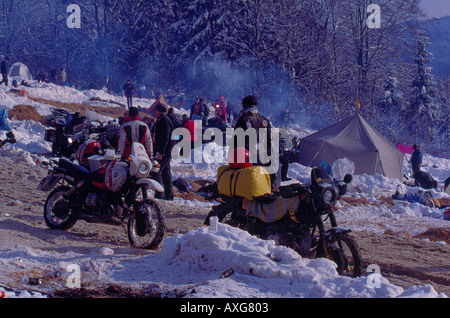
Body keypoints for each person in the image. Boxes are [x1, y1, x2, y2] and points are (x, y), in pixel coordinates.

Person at [152, 103, 174, 201]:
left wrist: (161, 152)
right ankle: (169, 196)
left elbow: (165, 138)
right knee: (166, 173)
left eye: (156, 110)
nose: (154, 112)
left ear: (160, 111)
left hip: (165, 151)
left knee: (157, 172)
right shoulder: (160, 120)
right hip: (165, 151)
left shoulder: (165, 122)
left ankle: (159, 195)